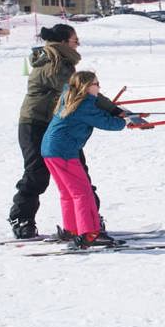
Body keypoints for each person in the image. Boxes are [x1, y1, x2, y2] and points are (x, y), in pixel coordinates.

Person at [9, 23, 129, 239]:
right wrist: (114, 110)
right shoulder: (54, 64)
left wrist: (112, 110)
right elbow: (81, 94)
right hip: (37, 124)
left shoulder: (59, 60)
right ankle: (22, 218)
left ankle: (88, 219)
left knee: (77, 174)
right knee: (37, 174)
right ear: (63, 42)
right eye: (75, 40)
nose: (78, 45)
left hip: (60, 127)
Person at [40, 71, 134, 248]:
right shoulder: (83, 104)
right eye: (96, 84)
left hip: (50, 150)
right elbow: (106, 123)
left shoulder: (70, 97)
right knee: (82, 192)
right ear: (85, 87)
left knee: (69, 193)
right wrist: (126, 121)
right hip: (64, 151)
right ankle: (90, 233)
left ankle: (72, 229)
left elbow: (99, 114)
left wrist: (117, 115)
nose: (99, 87)